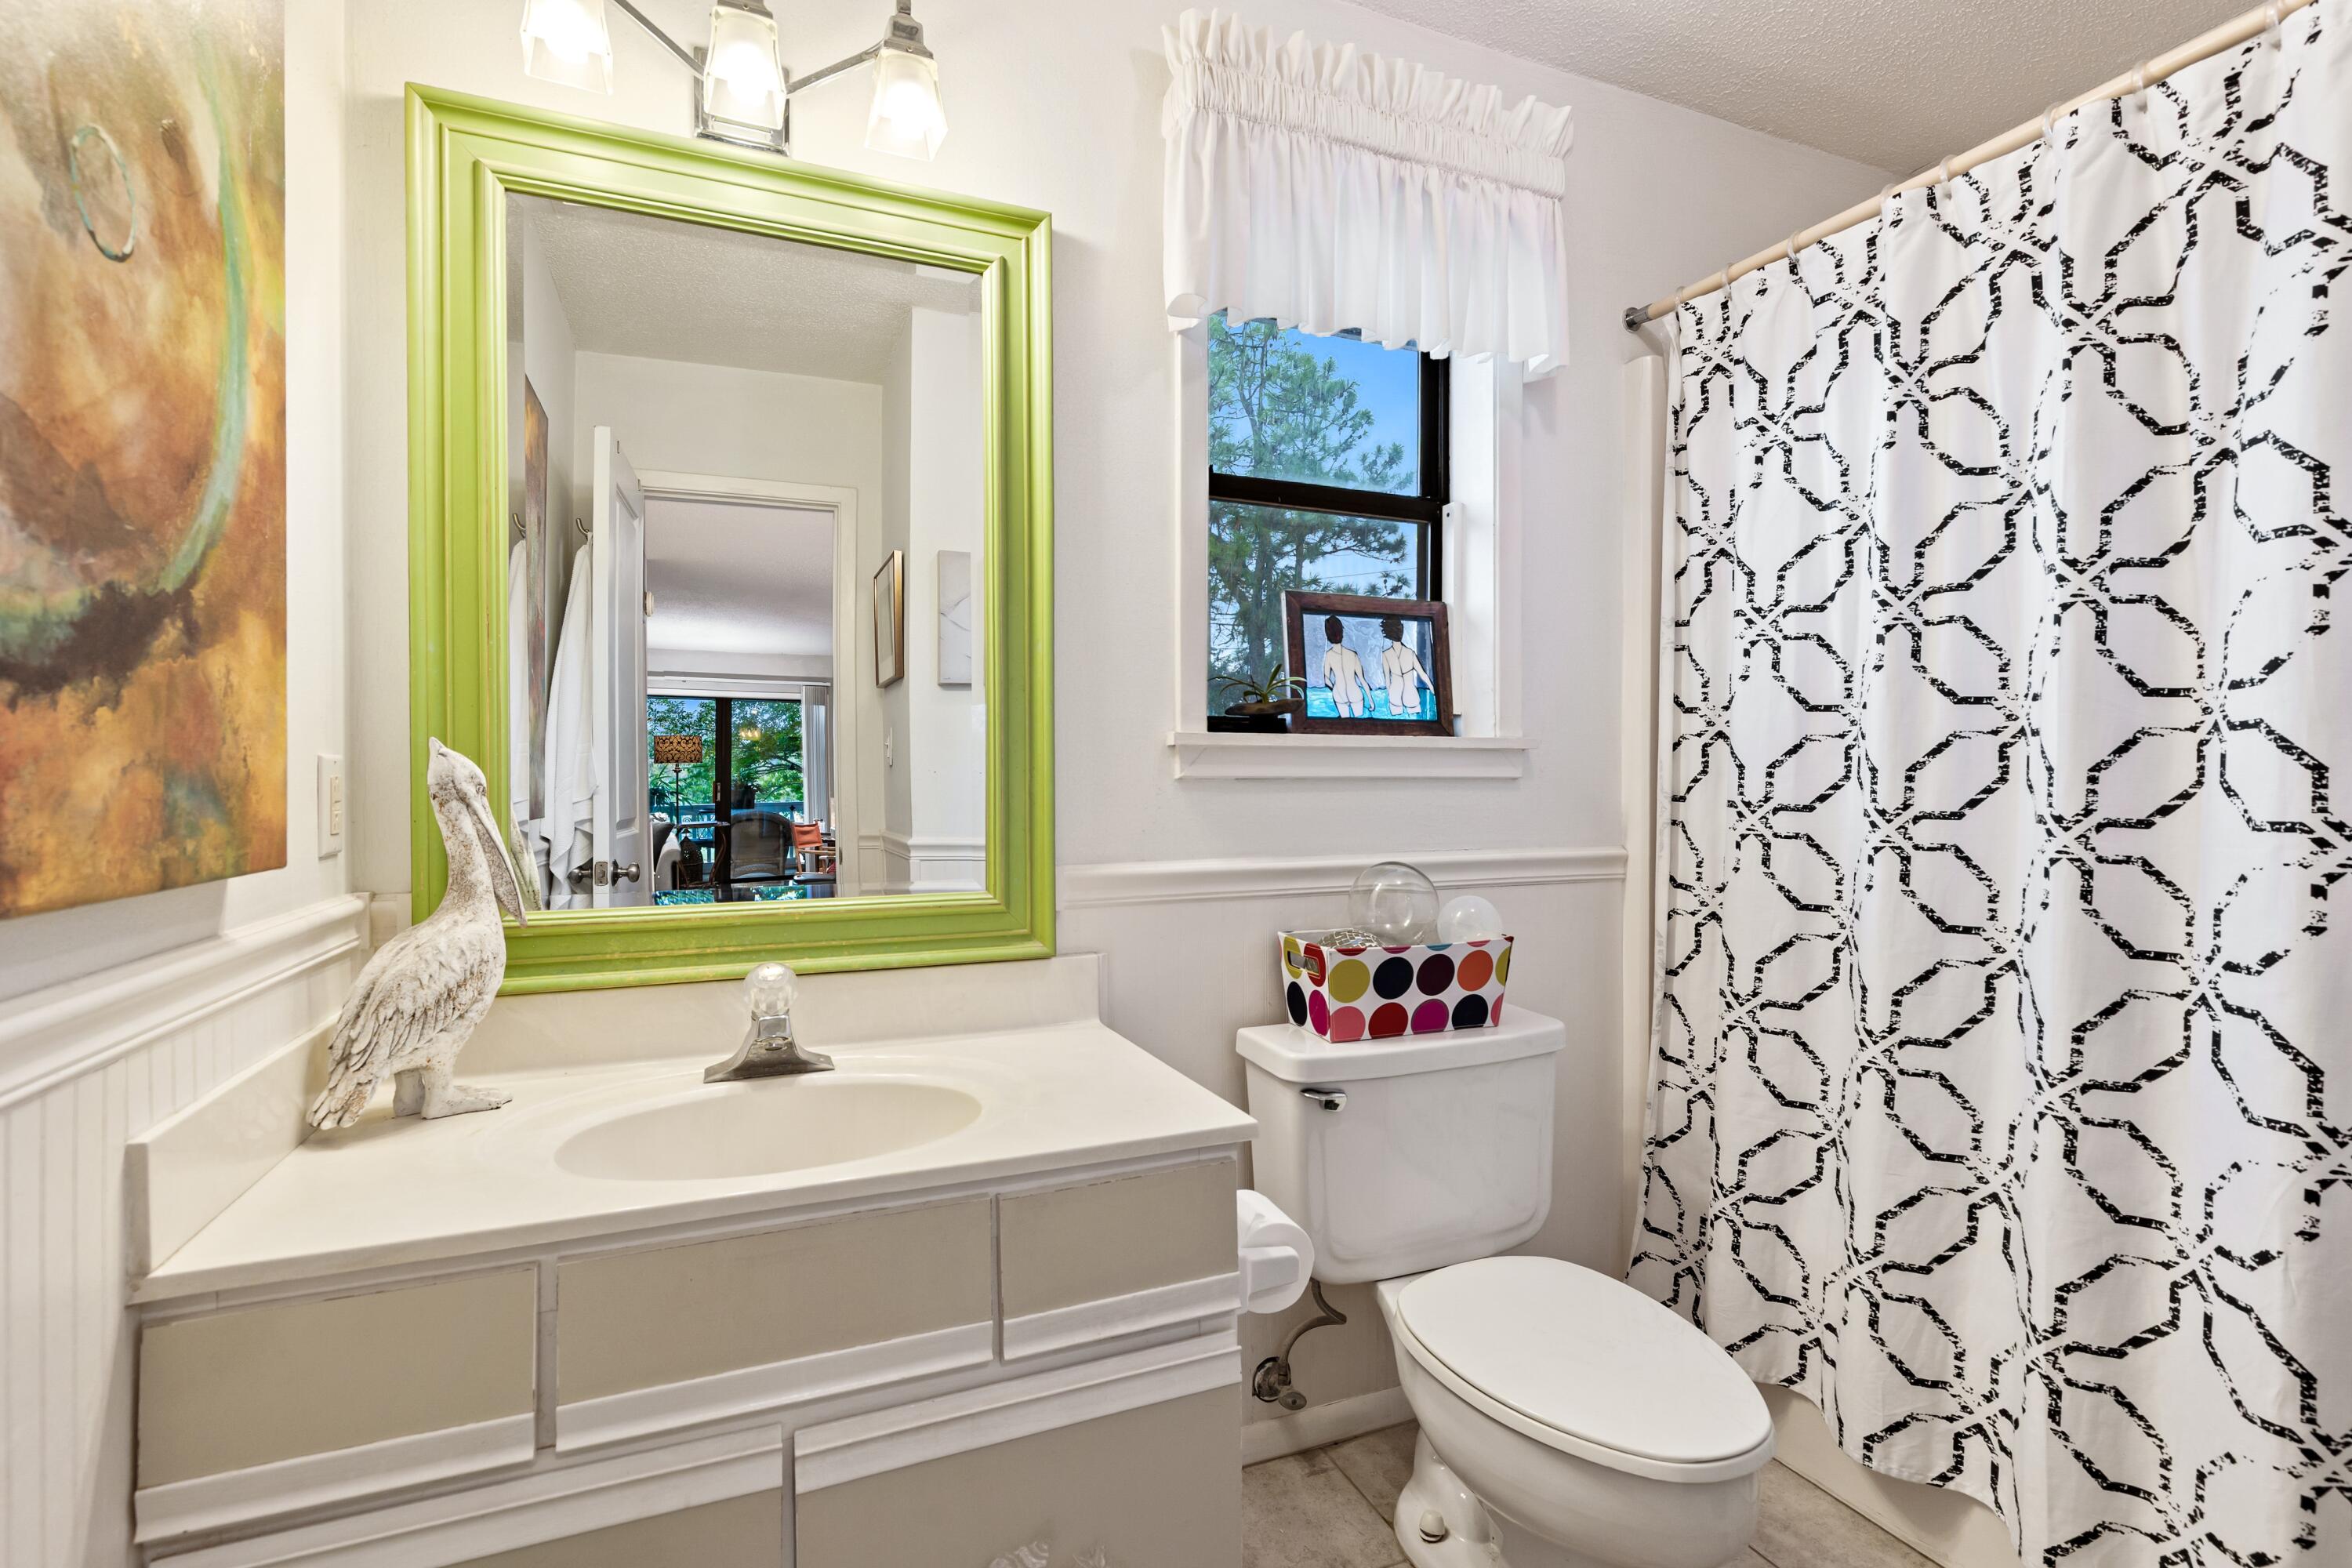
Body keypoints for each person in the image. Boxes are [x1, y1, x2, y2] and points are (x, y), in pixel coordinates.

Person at [1378, 615, 1432, 720]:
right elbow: (1423, 675)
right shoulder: (1410, 653)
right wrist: (1434, 690)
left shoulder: (1386, 654)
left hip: (1394, 693)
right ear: (1401, 630)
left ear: (1387, 633)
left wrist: (1390, 694)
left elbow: (1387, 681)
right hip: (1411, 694)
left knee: (1394, 728)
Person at [1319, 615, 1370, 717]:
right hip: (1355, 693)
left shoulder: (1328, 656)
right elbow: (1362, 680)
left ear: (1328, 635)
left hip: (1339, 695)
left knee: (1345, 729)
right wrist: (1371, 700)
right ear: (1342, 632)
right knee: (1360, 729)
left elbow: (1326, 679)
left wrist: (1335, 688)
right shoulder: (1353, 654)